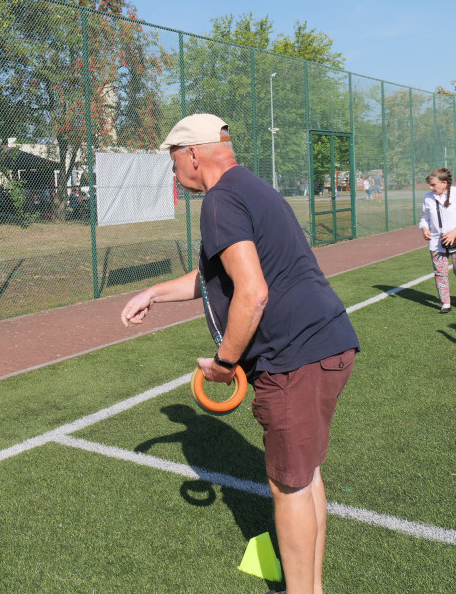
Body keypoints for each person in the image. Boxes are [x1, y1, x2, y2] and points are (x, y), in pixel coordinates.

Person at [120, 113, 359, 594]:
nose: (174, 173)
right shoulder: (249, 186)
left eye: (173, 163)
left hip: (295, 354)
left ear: (193, 154)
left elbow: (251, 293)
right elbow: (216, 276)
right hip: (327, 343)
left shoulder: (219, 200)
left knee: (289, 486)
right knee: (304, 477)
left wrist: (225, 364)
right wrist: (153, 293)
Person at [419, 167, 456, 313]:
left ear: (444, 183)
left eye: (433, 185)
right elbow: (425, 218)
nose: (431, 188)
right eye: (430, 185)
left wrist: (454, 232)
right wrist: (425, 228)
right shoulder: (428, 197)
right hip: (437, 241)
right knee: (440, 272)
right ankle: (445, 303)